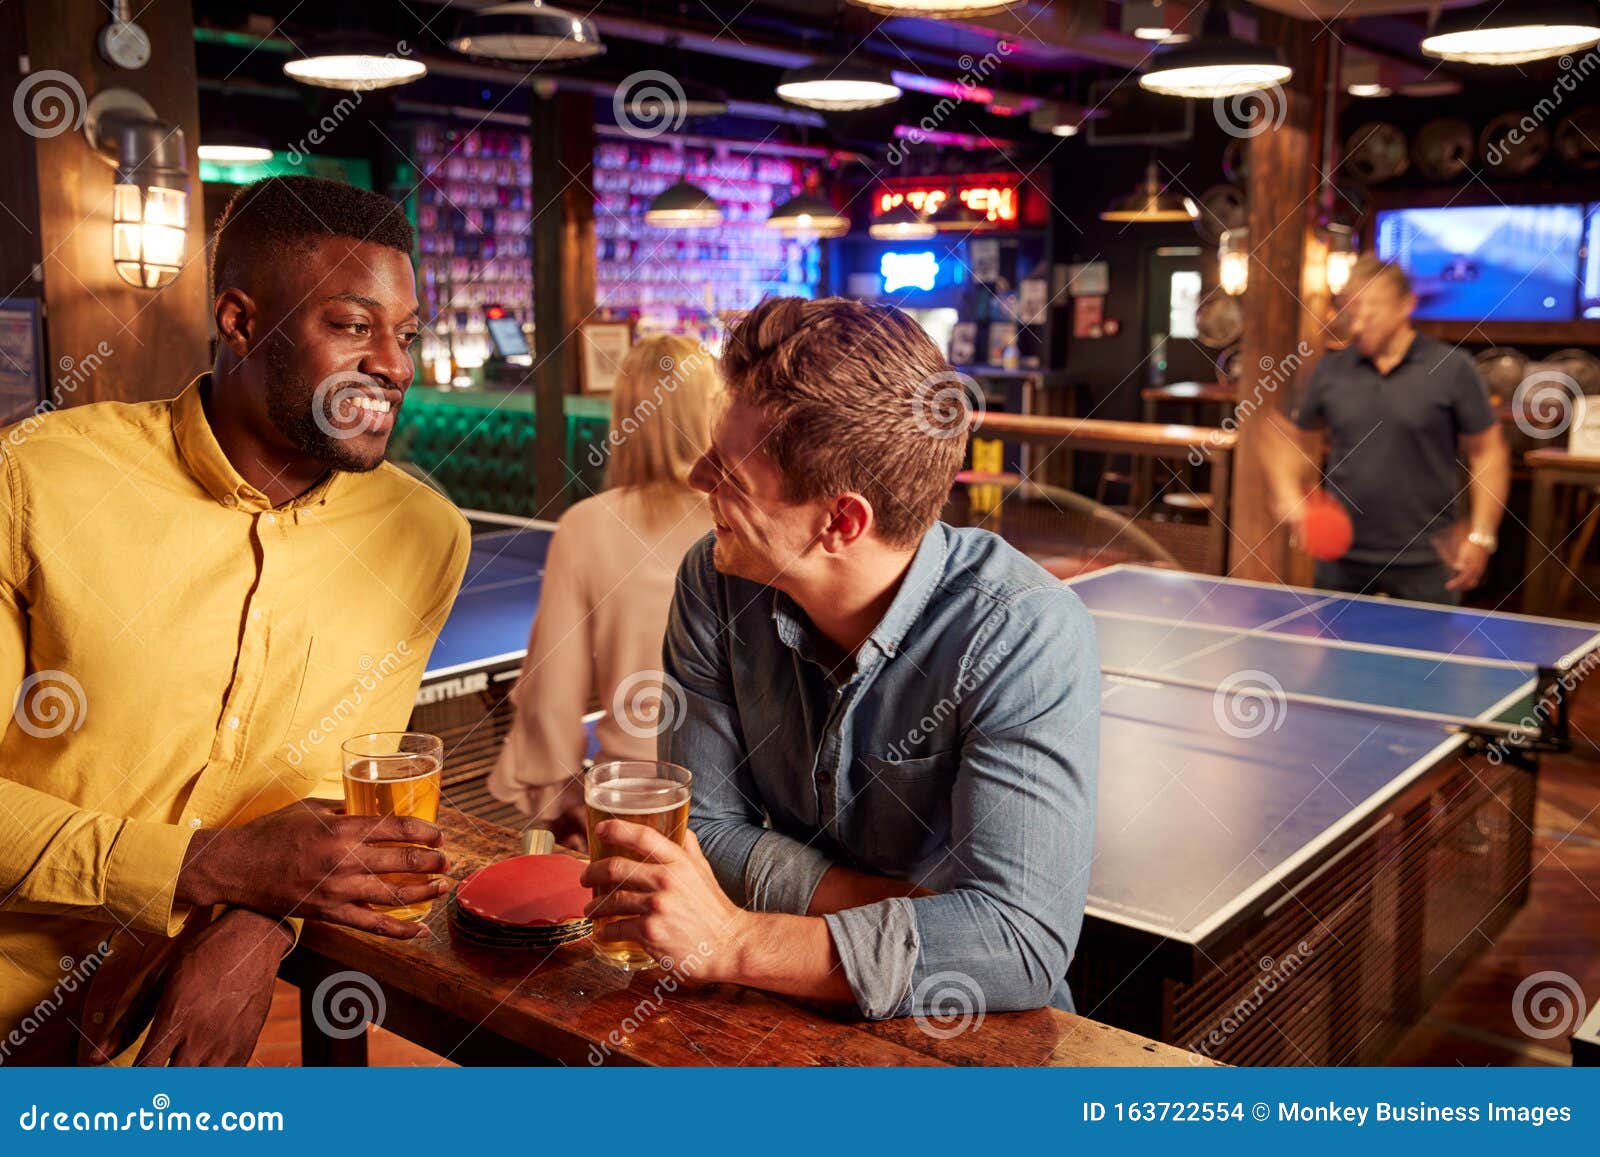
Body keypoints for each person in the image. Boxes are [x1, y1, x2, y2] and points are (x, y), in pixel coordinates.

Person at [0, 176, 470, 1066]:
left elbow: (335, 799)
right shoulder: (33, 479)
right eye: (353, 325)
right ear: (240, 321)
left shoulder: (426, 537)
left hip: (160, 1051)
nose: (396, 365)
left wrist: (260, 923)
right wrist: (210, 866)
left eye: (407, 334)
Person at [579, 297, 1100, 1019]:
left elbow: (1016, 947)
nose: (698, 477)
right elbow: (703, 834)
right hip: (775, 1014)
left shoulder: (1023, 631)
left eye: (729, 472)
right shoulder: (715, 580)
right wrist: (917, 913)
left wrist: (739, 940)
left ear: (841, 521)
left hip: (973, 1035)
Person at [488, 336, 717, 850]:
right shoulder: (751, 521)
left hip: (635, 798)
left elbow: (552, 690)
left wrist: (563, 797)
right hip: (752, 802)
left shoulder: (586, 526)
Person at [1266, 256, 1509, 604]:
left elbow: (1488, 452)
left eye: (1372, 308)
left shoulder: (1453, 368)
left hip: (1428, 559)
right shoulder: (1330, 371)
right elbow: (1298, 443)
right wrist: (1292, 495)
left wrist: (1482, 535)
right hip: (1342, 558)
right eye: (1353, 309)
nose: (1359, 321)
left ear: (1405, 305)